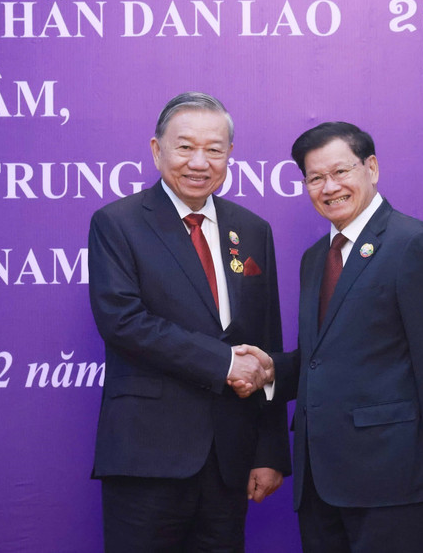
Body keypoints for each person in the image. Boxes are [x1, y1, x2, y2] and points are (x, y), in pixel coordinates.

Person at [233, 121, 423, 552]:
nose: (329, 187)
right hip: (319, 479)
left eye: (341, 172)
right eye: (315, 178)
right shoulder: (314, 259)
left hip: (389, 476)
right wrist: (270, 370)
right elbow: (320, 358)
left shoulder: (410, 243)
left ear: (372, 168)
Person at [88, 92, 290, 552]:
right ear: (157, 150)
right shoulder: (117, 224)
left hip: (228, 461)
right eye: (185, 147)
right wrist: (223, 363)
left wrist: (270, 451)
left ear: (229, 156)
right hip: (146, 456)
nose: (200, 161)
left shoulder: (252, 229)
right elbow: (123, 322)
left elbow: (266, 343)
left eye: (214, 149)